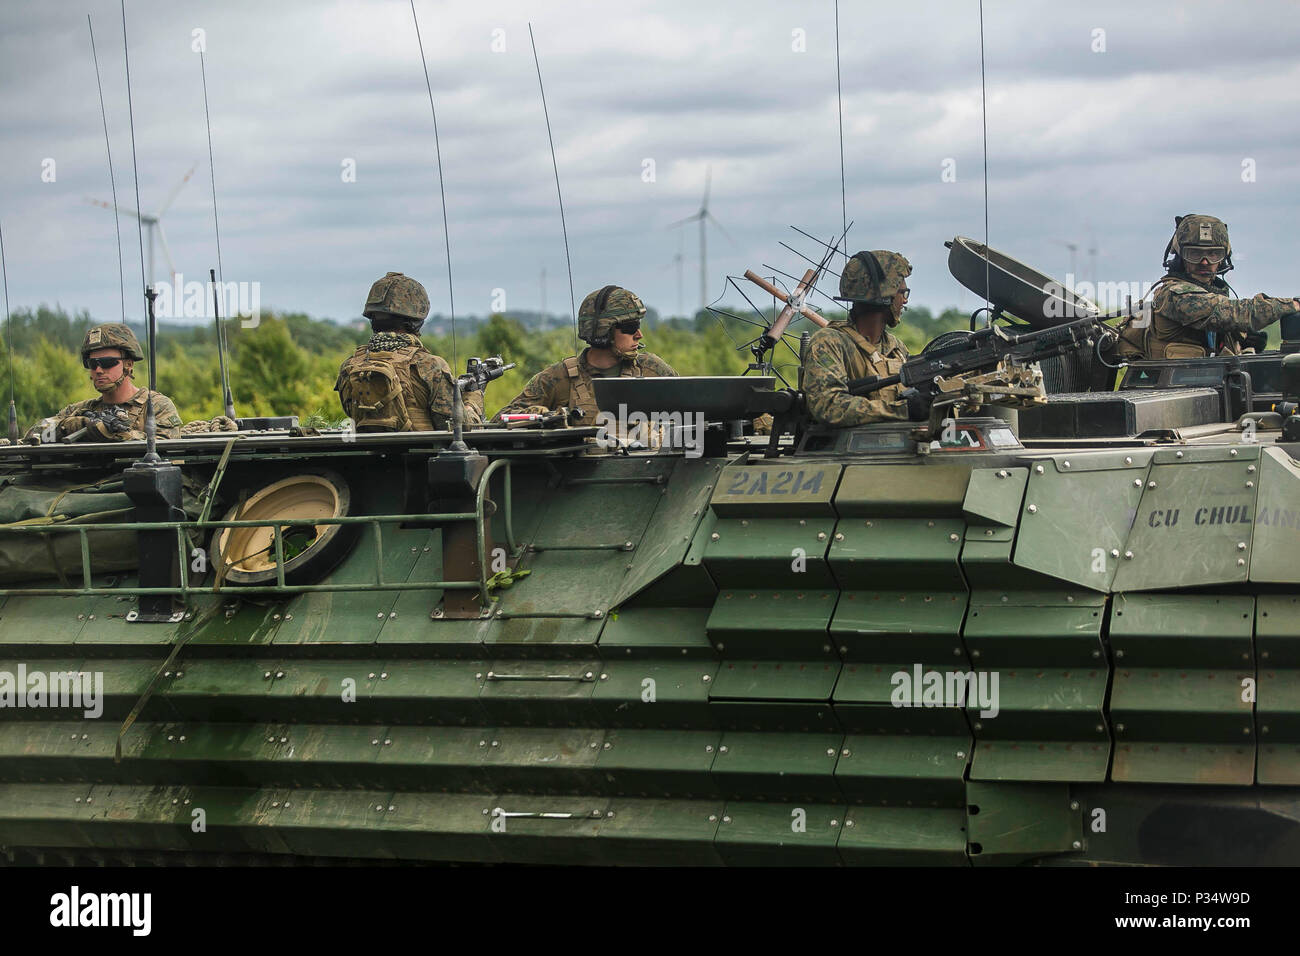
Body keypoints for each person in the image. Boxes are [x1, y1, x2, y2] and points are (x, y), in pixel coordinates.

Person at [1117, 214, 1300, 360]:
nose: (1204, 262)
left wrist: (1244, 346)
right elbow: (1223, 312)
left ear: (1223, 258)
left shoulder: (1215, 295)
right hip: (1172, 391)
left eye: (1213, 254)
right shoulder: (1174, 294)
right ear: (1181, 257)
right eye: (1194, 254)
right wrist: (1291, 305)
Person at [493, 285, 675, 425]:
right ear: (605, 331)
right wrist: (540, 417)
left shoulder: (652, 370)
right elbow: (501, 420)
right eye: (630, 328)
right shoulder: (558, 378)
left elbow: (695, 414)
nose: (639, 335)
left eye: (638, 326)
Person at [335, 271, 482, 431]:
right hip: (420, 455)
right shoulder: (430, 366)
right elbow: (460, 429)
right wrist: (472, 401)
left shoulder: (349, 367)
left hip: (370, 455)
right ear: (415, 321)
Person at [804, 250, 919, 426]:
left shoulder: (896, 348)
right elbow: (828, 406)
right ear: (885, 296)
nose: (905, 301)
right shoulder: (829, 343)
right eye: (902, 293)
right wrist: (903, 410)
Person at [26, 323, 183, 443]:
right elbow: (35, 434)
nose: (99, 370)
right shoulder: (81, 410)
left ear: (128, 364)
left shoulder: (156, 406)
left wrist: (118, 433)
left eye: (107, 362)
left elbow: (167, 449)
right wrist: (78, 424)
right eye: (92, 364)